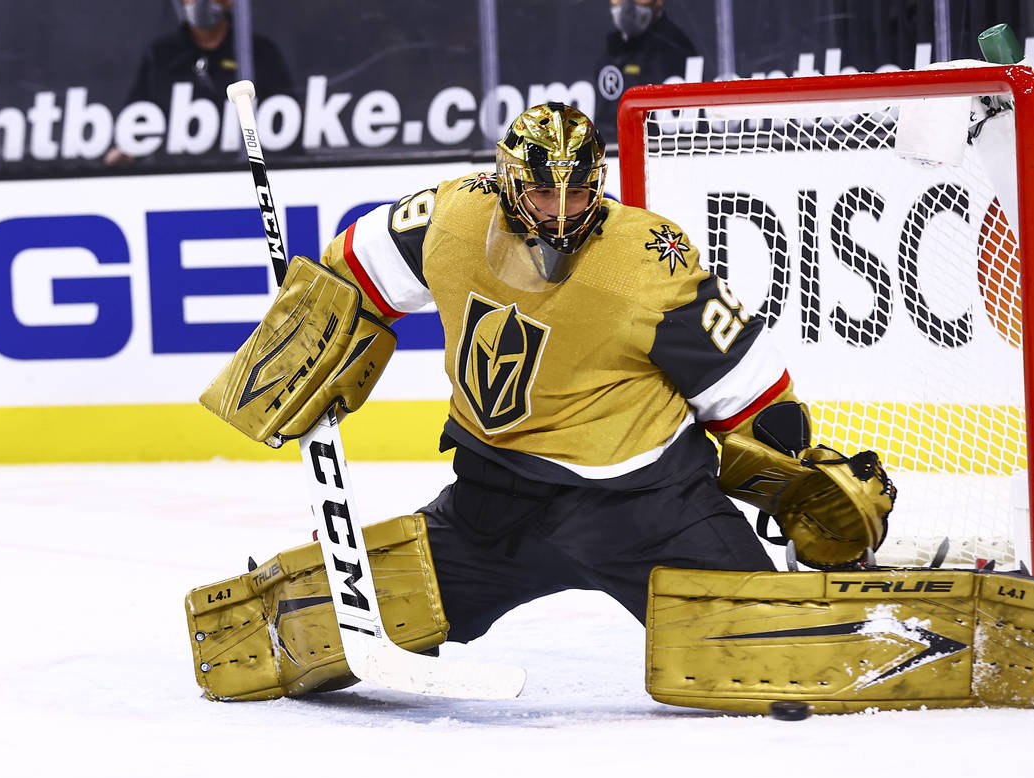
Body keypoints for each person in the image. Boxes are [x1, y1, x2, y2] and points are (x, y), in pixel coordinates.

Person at [314, 101, 802, 642]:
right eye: (544, 192)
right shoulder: (453, 217)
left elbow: (742, 381)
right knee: (315, 629)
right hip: (493, 504)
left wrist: (800, 481)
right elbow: (350, 273)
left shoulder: (647, 257)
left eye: (577, 191)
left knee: (770, 647)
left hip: (647, 508)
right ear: (507, 181)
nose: (562, 212)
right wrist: (308, 340)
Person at [106, 0, 293, 164]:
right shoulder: (161, 55)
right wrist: (127, 152)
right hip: (175, 178)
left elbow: (285, 127)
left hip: (241, 176)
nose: (200, 2)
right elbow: (136, 123)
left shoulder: (258, 52)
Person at [596, 0, 699, 142]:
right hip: (615, 156)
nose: (627, 4)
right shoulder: (609, 51)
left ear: (659, 2)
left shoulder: (676, 51)